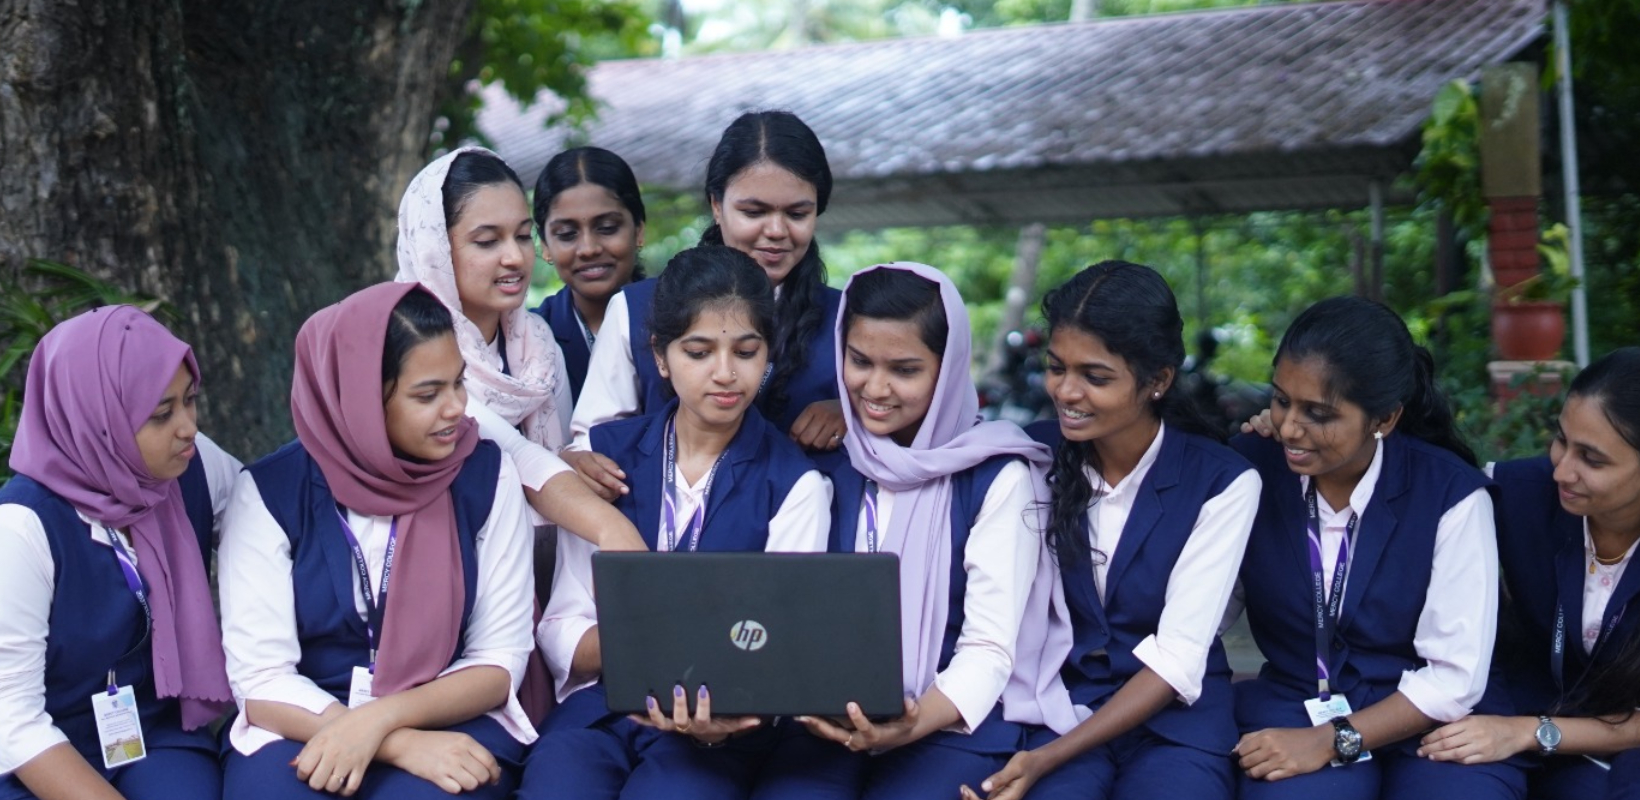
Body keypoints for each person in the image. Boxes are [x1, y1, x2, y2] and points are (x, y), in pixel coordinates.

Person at [519, 245, 832, 800]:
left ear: (769, 356)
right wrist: (668, 646)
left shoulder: (796, 487)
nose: (725, 373)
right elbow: (565, 626)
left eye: (746, 350)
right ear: (660, 357)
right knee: (557, 783)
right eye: (699, 351)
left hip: (723, 722)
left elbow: (780, 649)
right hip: (601, 707)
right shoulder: (603, 462)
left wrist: (719, 714)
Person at [218, 282, 534, 799]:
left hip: (448, 715)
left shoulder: (483, 475)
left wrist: (380, 722)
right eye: (427, 394)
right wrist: (393, 742)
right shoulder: (271, 491)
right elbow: (261, 677)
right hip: (304, 716)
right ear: (359, 398)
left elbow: (498, 660)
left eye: (458, 383)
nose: (456, 408)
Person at [0, 306, 236, 800]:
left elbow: (272, 538)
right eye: (161, 413)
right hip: (0, 749)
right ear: (98, 419)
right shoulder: (18, 529)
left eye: (191, 400)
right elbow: (8, 715)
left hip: (136, 729)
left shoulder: (193, 464)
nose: (187, 426)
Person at [750, 262, 1051, 800]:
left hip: (952, 724)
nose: (876, 388)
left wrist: (907, 725)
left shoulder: (996, 477)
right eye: (859, 361)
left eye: (905, 369)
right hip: (830, 718)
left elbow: (988, 647)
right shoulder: (825, 462)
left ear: (949, 367)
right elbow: (788, 608)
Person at [970, 261, 1261, 800]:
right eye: (1056, 368)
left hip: (1175, 725)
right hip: (1055, 707)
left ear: (1158, 381)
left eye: (1095, 377)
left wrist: (1045, 759)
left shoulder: (1222, 481)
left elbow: (1177, 660)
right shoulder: (1031, 454)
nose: (1066, 391)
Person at [1229, 296, 1505, 799]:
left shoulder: (1450, 495)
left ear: (1385, 418)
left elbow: (1454, 678)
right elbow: (1210, 604)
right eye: (1281, 400)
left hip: (1424, 720)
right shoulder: (1252, 469)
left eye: (1318, 413)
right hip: (1295, 703)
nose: (1290, 427)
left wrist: (1330, 741)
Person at [1417, 347, 1640, 800]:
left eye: (1592, 459)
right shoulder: (1515, 490)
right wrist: (1292, 431)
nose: (1562, 469)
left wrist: (1531, 732)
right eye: (1562, 440)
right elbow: (1417, 473)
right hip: (1529, 714)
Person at [564, 110, 847, 500]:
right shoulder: (635, 309)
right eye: (754, 212)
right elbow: (592, 446)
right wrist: (580, 461)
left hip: (802, 543)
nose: (777, 231)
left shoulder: (848, 319)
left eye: (798, 213)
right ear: (716, 204)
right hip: (657, 542)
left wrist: (854, 413)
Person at [394, 146, 642, 553]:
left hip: (537, 570)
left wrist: (575, 462)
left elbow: (558, 457)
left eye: (523, 236)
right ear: (434, 248)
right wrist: (608, 527)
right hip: (433, 560)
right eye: (488, 241)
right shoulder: (400, 340)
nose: (514, 257)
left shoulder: (539, 344)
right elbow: (521, 458)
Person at [530, 146, 647, 404]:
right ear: (545, 245)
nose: (589, 249)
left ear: (638, 230)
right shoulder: (530, 339)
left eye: (607, 228)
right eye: (567, 234)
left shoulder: (683, 318)